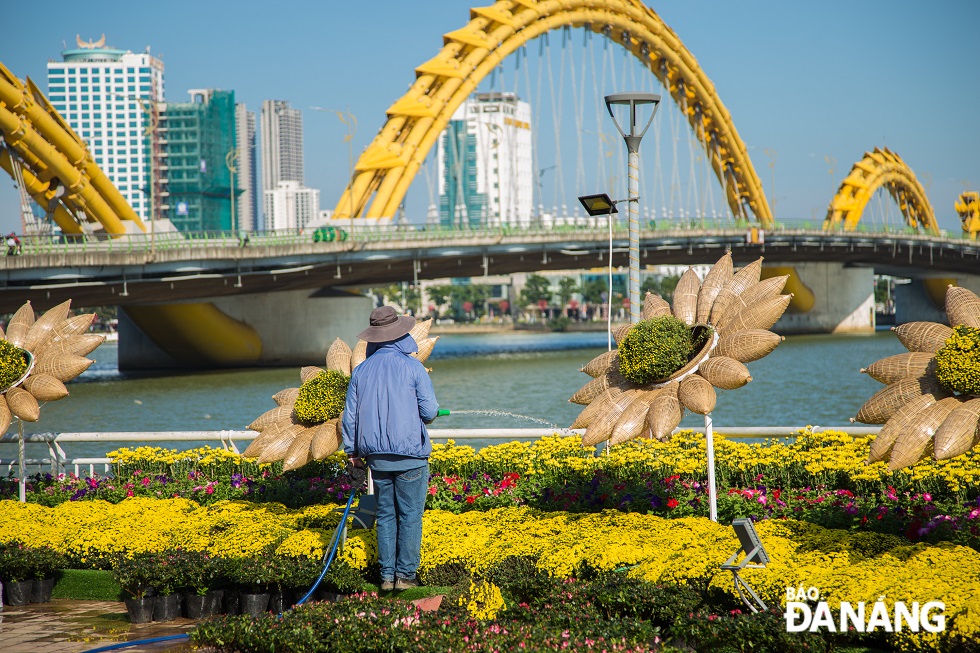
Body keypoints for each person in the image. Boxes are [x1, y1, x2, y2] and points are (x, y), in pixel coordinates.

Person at [342, 306, 439, 591]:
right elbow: (430, 411)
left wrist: (353, 455)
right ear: (400, 333)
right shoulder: (413, 367)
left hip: (377, 460)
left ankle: (386, 578)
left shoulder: (361, 372)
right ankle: (405, 578)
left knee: (385, 515)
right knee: (410, 516)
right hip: (411, 456)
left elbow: (350, 417)